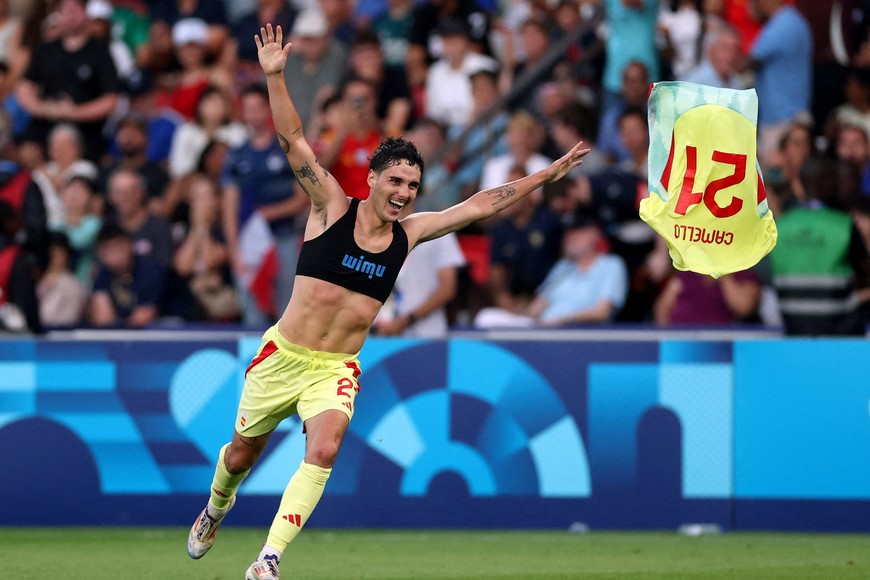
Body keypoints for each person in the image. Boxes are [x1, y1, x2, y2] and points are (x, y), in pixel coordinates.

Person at [185, 23, 589, 580]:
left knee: (323, 451)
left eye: (412, 186)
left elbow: (480, 205)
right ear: (372, 178)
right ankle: (215, 508)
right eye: (395, 181)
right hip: (282, 358)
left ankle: (268, 559)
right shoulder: (329, 205)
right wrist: (275, 78)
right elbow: (293, 141)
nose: (403, 194)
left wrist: (545, 174)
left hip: (335, 369)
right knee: (238, 459)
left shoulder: (413, 232)